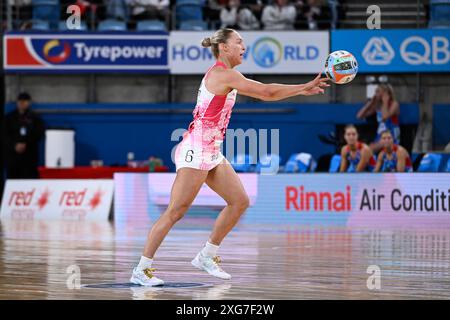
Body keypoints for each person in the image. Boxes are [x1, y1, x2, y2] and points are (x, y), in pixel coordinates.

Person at [130, 28, 330, 286]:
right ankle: (141, 269)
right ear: (224, 47)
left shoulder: (228, 75)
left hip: (212, 151)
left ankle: (207, 255)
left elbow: (266, 92)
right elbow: (266, 93)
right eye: (239, 42)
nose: (243, 46)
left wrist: (300, 90)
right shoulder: (222, 74)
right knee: (175, 211)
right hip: (196, 150)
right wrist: (303, 88)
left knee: (239, 201)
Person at [4, 92, 45, 179]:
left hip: (29, 156)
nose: (22, 103)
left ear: (29, 102)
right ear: (17, 102)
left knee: (29, 180)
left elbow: (39, 133)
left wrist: (26, 143)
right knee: (13, 181)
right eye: (20, 101)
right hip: (13, 157)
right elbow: (4, 135)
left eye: (25, 101)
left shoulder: (35, 118)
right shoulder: (8, 118)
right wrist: (14, 145)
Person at [357, 83, 400, 152]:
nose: (375, 94)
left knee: (370, 149)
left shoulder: (394, 104)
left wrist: (385, 101)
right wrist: (370, 103)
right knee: (368, 148)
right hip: (380, 133)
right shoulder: (378, 106)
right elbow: (359, 116)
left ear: (385, 93)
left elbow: (385, 117)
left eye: (378, 91)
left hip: (391, 133)